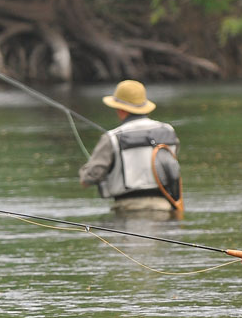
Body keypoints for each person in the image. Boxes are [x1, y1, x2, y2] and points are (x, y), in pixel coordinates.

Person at [78, 80, 182, 218]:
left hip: (127, 210)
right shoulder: (168, 131)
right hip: (165, 208)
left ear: (121, 110)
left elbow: (89, 178)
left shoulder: (111, 138)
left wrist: (84, 174)